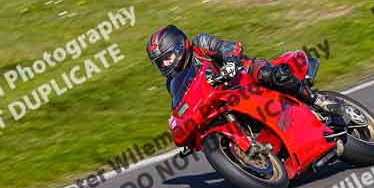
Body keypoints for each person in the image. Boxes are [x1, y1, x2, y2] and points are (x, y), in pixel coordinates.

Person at [146, 25, 342, 114]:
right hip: (224, 100)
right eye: (160, 62)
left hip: (244, 75)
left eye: (166, 58)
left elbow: (230, 48)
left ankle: (317, 99)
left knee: (271, 75)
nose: (164, 64)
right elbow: (182, 106)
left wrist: (230, 63)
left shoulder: (200, 43)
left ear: (180, 46)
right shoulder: (173, 81)